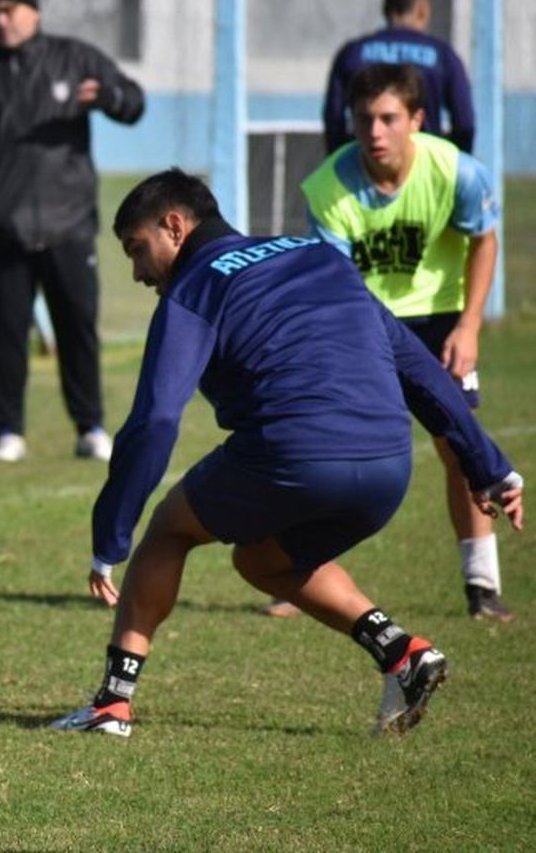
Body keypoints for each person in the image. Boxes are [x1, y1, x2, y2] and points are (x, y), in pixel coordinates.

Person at [47, 169, 522, 740]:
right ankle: (402, 653)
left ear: (174, 227)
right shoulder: (317, 256)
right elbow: (417, 366)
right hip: (389, 464)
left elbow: (156, 418)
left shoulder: (195, 285)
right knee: (263, 561)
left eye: (137, 249)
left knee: (170, 529)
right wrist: (488, 466)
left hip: (293, 453)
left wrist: (110, 536)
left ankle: (111, 705)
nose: (138, 271)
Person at [300, 62, 511, 621]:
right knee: (321, 446)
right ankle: (293, 572)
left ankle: (482, 588)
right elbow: (337, 283)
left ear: (417, 119)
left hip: (440, 322)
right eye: (364, 118)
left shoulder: (457, 172)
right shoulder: (327, 188)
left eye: (389, 118)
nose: (375, 132)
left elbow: (483, 243)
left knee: (460, 447)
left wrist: (469, 327)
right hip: (363, 322)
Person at [0, 0, 144, 464]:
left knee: (78, 329)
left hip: (69, 223)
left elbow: (135, 102)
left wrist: (110, 98)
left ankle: (91, 427)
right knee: (7, 336)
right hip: (3, 227)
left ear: (34, 11)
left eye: (9, 10)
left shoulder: (73, 59)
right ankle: (7, 431)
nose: (1, 20)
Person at [322, 0, 473, 154]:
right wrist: (452, 165)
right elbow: (464, 122)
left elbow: (334, 117)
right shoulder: (442, 56)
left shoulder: (353, 53)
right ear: (422, 11)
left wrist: (342, 161)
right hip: (424, 167)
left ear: (385, 10)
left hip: (366, 165)